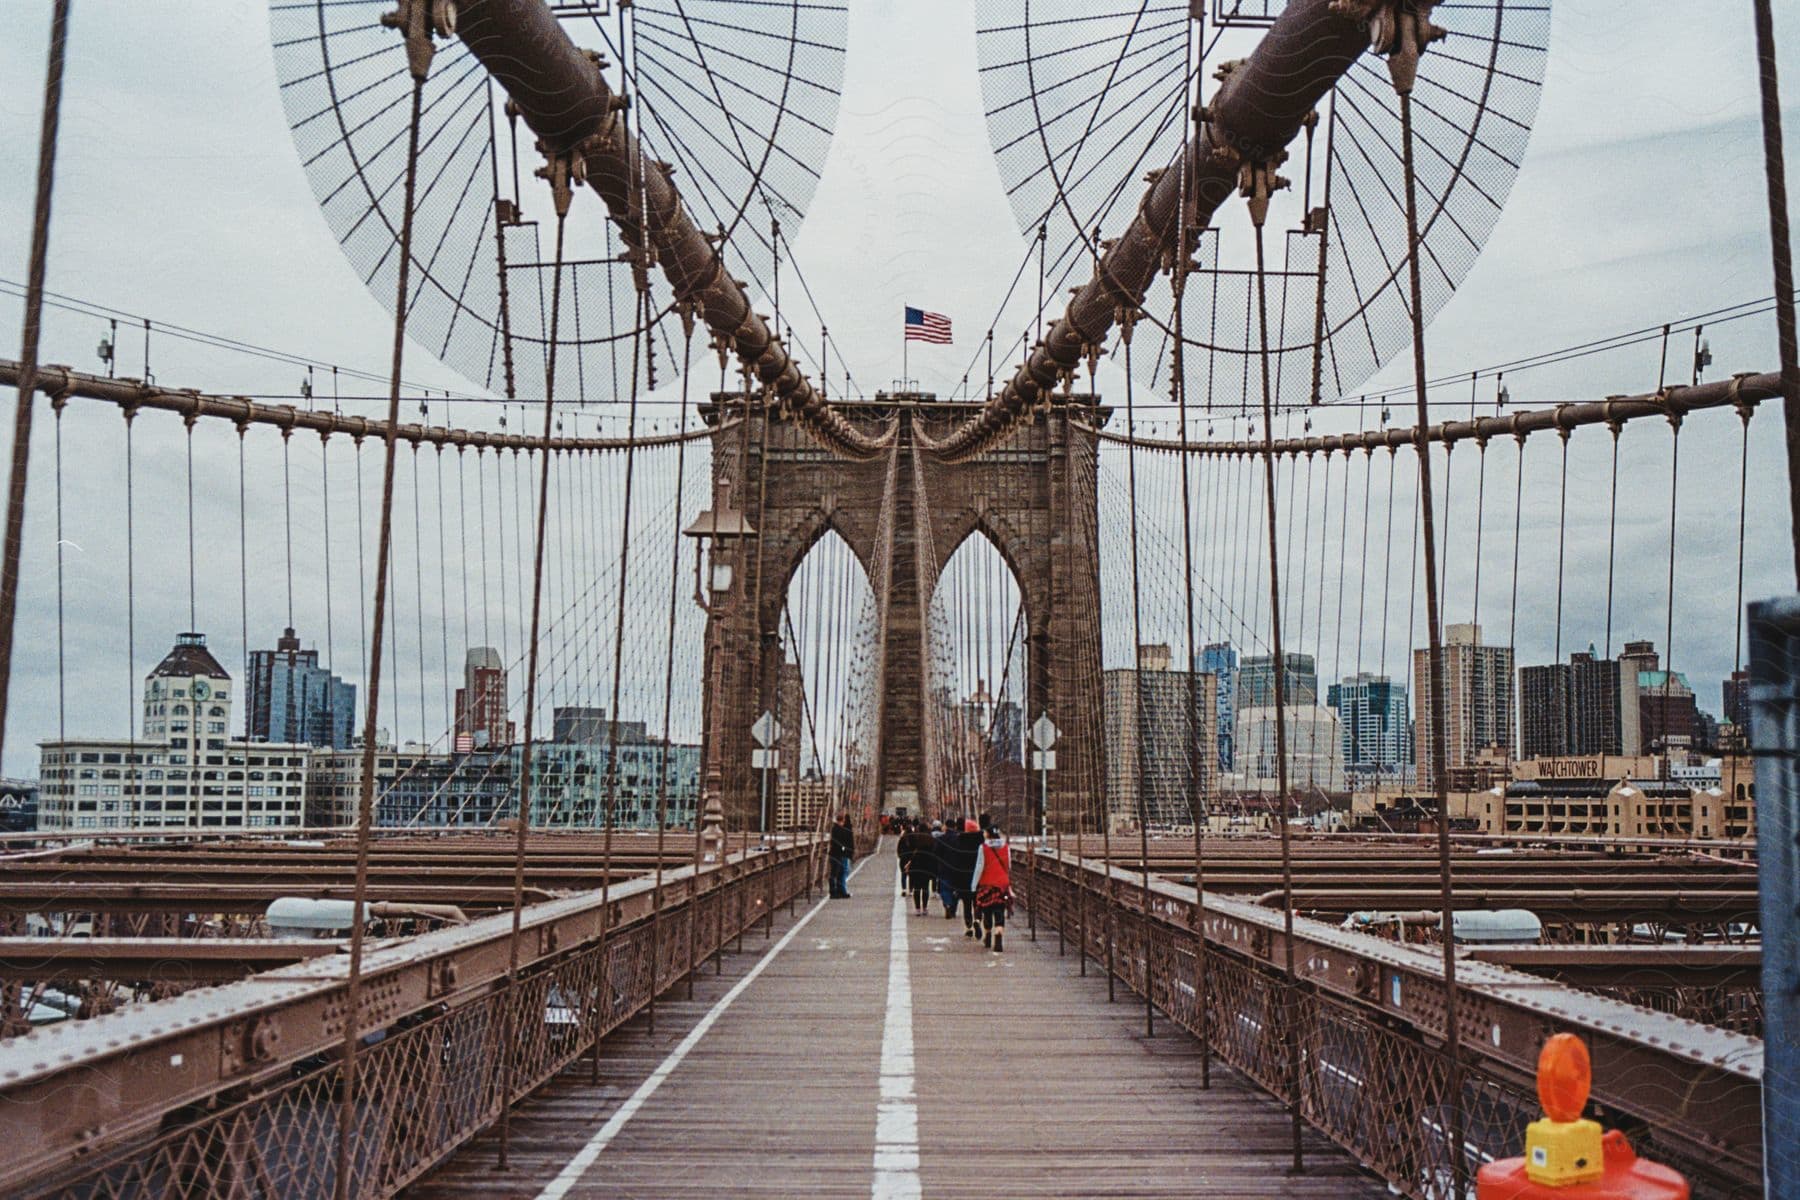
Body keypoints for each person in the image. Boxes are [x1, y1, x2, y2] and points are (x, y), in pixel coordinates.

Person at [970, 824, 1012, 952]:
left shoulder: (983, 848)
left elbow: (979, 867)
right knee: (999, 910)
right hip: (1002, 884)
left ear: (988, 834)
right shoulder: (1006, 847)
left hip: (987, 884)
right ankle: (998, 933)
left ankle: (987, 934)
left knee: (986, 910)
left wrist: (973, 885)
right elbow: (1008, 866)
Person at [932, 817, 970, 920]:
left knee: (944, 888)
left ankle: (947, 904)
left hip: (943, 867)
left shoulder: (941, 839)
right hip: (956, 868)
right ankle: (953, 909)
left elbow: (936, 853)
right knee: (955, 889)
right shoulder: (959, 839)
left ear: (946, 826)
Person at [952, 818, 983, 939]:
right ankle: (978, 920)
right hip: (978, 877)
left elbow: (956, 862)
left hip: (964, 878)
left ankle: (969, 926)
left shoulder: (960, 842)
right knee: (977, 902)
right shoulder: (981, 843)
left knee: (966, 903)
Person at [901, 819, 937, 914]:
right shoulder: (931, 839)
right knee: (925, 887)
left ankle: (917, 908)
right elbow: (934, 852)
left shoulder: (915, 838)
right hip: (927, 865)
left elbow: (909, 850)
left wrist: (908, 861)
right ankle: (924, 908)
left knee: (917, 887)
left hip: (916, 864)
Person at [828, 813, 855, 898]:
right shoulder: (838, 829)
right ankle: (835, 892)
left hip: (837, 854)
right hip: (837, 855)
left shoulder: (836, 829)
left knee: (839, 872)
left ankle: (838, 891)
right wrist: (844, 849)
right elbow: (839, 843)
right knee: (837, 873)